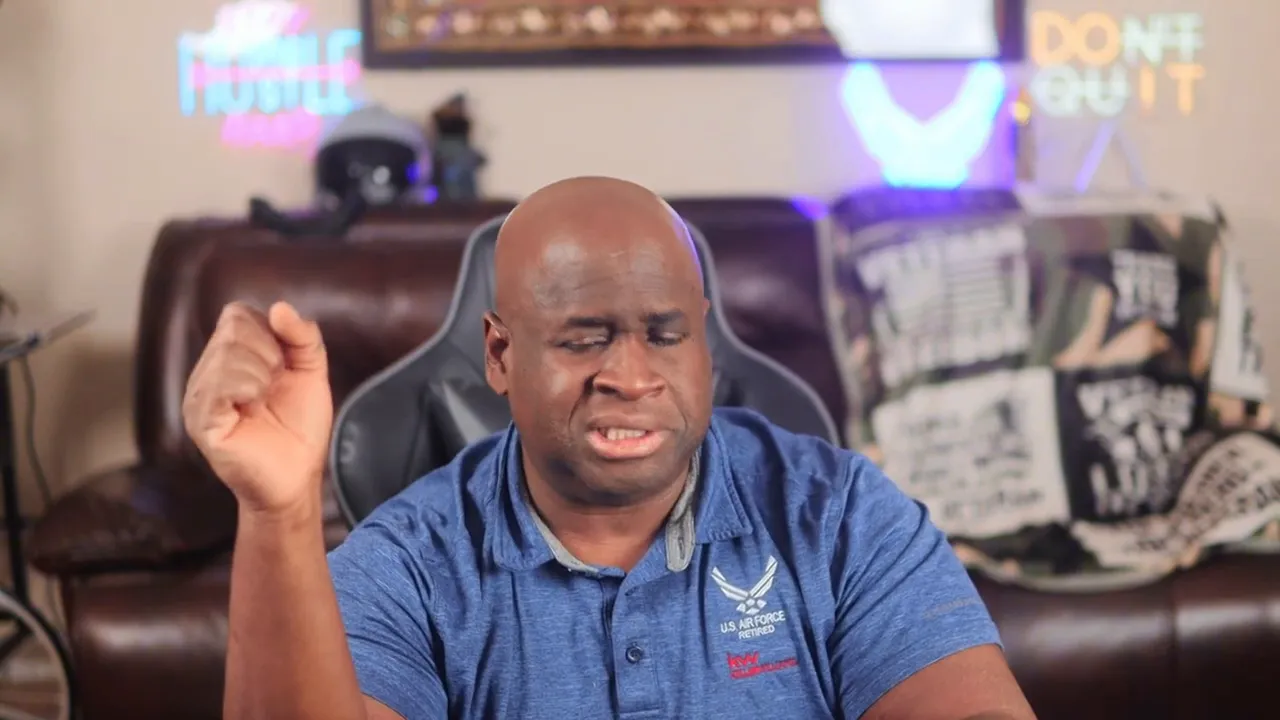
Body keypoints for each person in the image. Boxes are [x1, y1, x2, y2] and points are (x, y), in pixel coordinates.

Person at [182, 176, 1036, 720]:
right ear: (501, 355)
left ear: (705, 345)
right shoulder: (409, 560)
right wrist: (278, 509)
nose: (631, 376)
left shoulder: (842, 515)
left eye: (665, 336)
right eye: (584, 339)